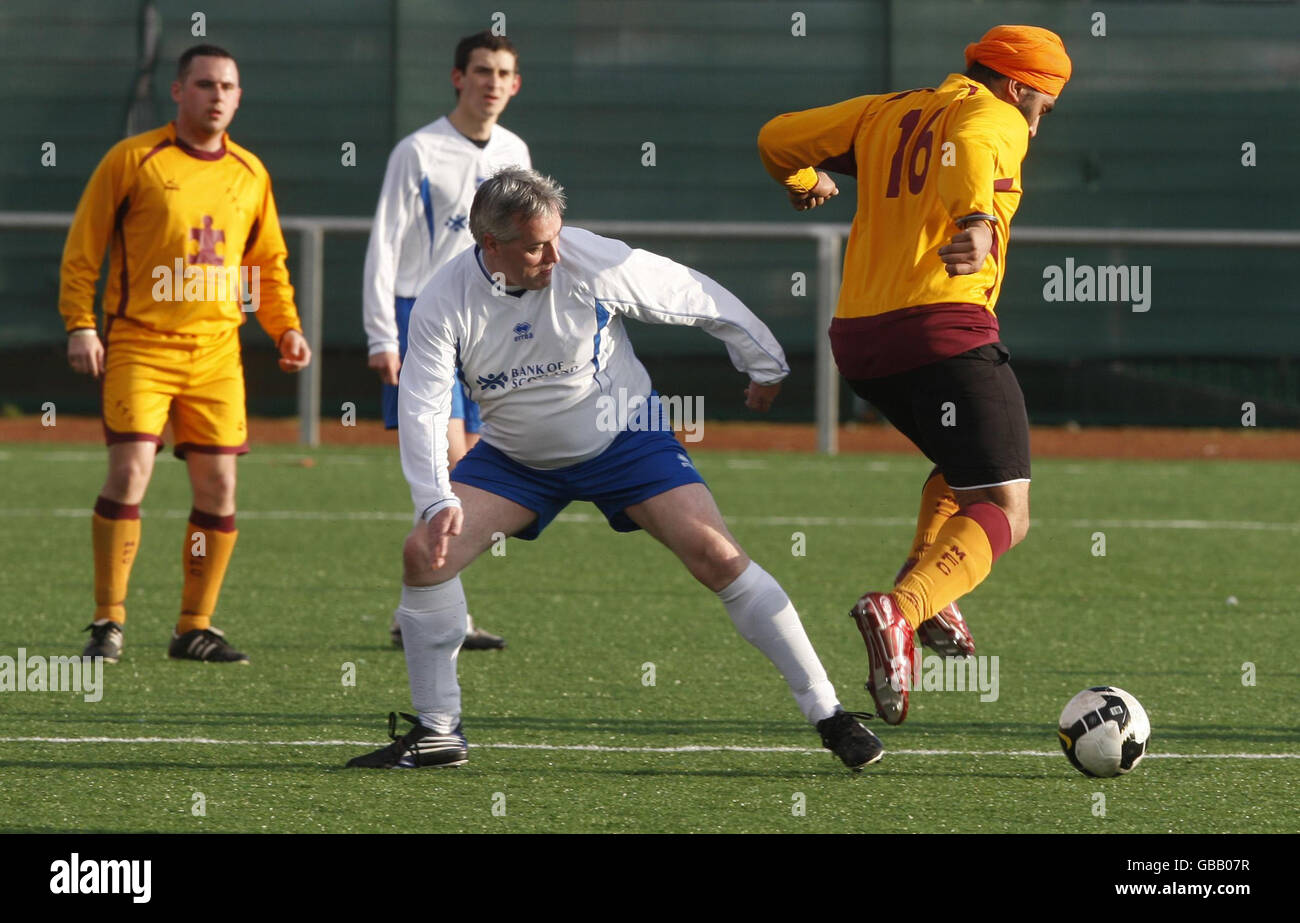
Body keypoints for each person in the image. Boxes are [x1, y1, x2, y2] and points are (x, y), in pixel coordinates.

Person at [346, 167, 882, 771]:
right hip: (516, 461)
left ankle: (830, 714)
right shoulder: (444, 299)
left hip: (627, 438)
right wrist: (434, 499)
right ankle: (439, 731)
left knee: (719, 558)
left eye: (556, 236)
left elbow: (688, 292)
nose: (553, 254)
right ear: (489, 245)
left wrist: (762, 362)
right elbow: (422, 404)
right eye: (534, 246)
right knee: (425, 554)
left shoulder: (588, 259)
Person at [757, 25, 1072, 724]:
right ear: (1019, 86)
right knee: (1007, 509)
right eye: (1043, 106)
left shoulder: (885, 111)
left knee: (964, 470)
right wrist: (976, 218)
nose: (1038, 121)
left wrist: (806, 179)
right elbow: (974, 150)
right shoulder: (995, 114)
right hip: (942, 328)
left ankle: (927, 588)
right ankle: (900, 609)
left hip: (861, 341)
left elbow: (778, 137)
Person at [61, 44, 311, 664]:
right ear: (178, 92)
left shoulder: (251, 173)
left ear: (239, 96)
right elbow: (84, 248)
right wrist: (80, 324)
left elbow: (267, 265)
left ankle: (193, 626)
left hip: (217, 353)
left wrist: (285, 329)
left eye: (227, 86)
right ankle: (107, 621)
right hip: (140, 343)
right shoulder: (132, 159)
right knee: (129, 473)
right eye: (204, 85)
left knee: (220, 487)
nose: (216, 96)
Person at [362, 30, 530, 651]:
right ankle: (436, 615)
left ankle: (424, 613)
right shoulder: (419, 150)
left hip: (489, 325)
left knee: (473, 471)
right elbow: (384, 243)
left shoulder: (514, 151)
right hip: (421, 319)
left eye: (502, 72)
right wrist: (383, 333)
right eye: (481, 70)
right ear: (458, 78)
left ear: (515, 84)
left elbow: (529, 245)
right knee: (454, 468)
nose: (491, 81)